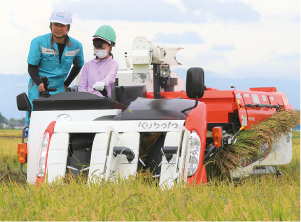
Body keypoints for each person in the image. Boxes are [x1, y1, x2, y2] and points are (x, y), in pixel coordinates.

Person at [26, 5, 84, 125]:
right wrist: (39, 83)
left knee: (59, 122)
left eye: (62, 25)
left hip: (60, 89)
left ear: (68, 26)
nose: (58, 28)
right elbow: (31, 67)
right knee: (36, 121)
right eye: (55, 24)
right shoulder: (38, 42)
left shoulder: (76, 46)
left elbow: (78, 66)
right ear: (50, 25)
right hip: (39, 87)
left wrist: (66, 84)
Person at [78, 25, 118, 98]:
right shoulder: (88, 65)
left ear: (110, 48)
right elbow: (82, 86)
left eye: (102, 48)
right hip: (88, 102)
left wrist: (103, 82)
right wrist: (85, 99)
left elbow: (110, 77)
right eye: (96, 47)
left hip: (104, 101)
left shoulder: (113, 64)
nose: (99, 50)